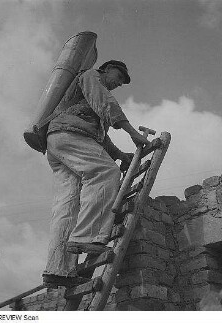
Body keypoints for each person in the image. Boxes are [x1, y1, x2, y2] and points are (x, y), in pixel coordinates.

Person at [42, 60, 150, 288]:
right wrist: (132, 132)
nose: (118, 84)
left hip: (58, 141)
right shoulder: (91, 76)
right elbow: (105, 102)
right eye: (118, 77)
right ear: (107, 68)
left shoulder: (89, 102)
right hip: (70, 134)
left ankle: (58, 269)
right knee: (106, 172)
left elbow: (99, 136)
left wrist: (120, 154)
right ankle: (87, 238)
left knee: (67, 204)